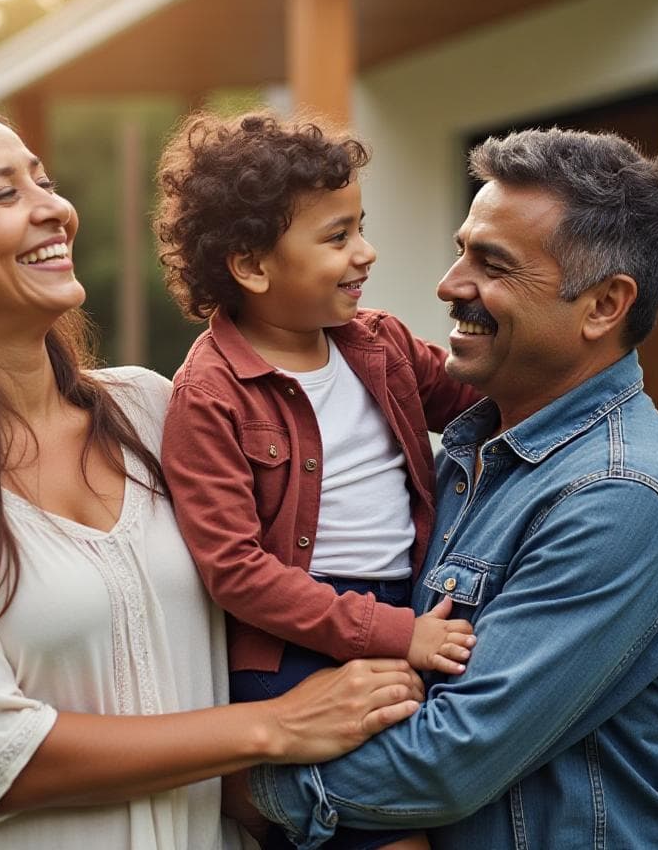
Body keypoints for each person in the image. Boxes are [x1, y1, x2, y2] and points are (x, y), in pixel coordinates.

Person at [0, 94, 424, 849]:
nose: (55, 209)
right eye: (4, 192)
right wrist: (275, 725)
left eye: (44, 180)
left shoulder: (152, 410)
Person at [241, 127, 658, 849]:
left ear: (602, 306)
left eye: (492, 264)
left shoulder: (620, 493)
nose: (450, 284)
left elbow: (446, 761)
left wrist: (234, 776)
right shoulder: (473, 450)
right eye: (462, 248)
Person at [152, 113, 484, 850]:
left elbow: (483, 402)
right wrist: (398, 634)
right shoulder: (209, 395)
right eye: (337, 238)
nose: (365, 253)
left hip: (412, 607)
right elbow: (237, 572)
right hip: (295, 648)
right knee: (393, 834)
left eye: (359, 226)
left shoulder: (383, 344)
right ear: (252, 265)